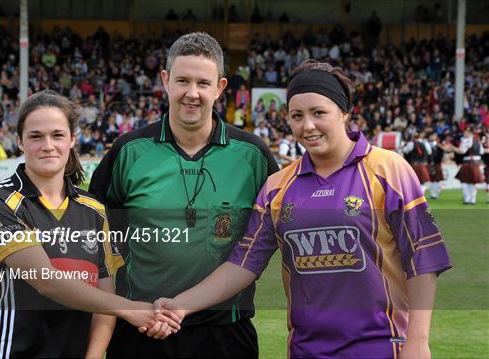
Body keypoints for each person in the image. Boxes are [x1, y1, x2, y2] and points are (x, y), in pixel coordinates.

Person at [153, 60, 452, 359]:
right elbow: (243, 264)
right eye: (297, 116)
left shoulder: (389, 169)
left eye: (318, 113)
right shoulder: (277, 187)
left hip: (382, 348)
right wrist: (181, 304)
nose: (307, 126)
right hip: (307, 350)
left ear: (344, 112)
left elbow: (423, 259)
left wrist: (418, 341)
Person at [89, 32, 278, 358]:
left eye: (203, 84)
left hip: (226, 332)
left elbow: (278, 232)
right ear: (165, 80)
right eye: (182, 81)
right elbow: (95, 238)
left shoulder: (253, 155)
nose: (192, 93)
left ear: (219, 87)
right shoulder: (128, 151)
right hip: (141, 329)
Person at [0, 91, 181, 358]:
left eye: (58, 135)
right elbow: (46, 280)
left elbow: (104, 300)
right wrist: (129, 309)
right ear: (20, 143)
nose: (47, 145)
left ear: (72, 139)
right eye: (36, 136)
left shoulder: (94, 210)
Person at [454, 127, 485, 204]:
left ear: (469, 133)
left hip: (467, 162)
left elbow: (462, 151)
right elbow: (481, 152)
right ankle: (472, 199)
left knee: (464, 182)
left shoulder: (466, 140)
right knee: (473, 182)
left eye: (465, 132)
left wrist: (453, 148)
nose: (464, 134)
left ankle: (467, 199)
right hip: (476, 162)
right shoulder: (478, 141)